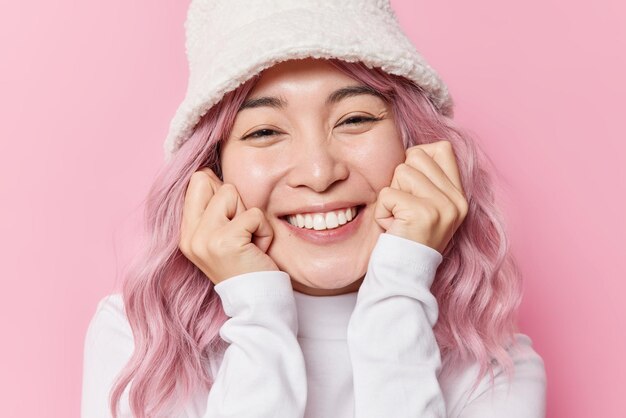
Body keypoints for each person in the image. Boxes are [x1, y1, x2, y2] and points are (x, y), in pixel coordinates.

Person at [81, 1, 547, 417]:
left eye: (355, 120)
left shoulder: (496, 369)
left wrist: (403, 283)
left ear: (417, 145)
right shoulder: (141, 346)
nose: (319, 173)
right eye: (264, 132)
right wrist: (256, 309)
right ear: (212, 170)